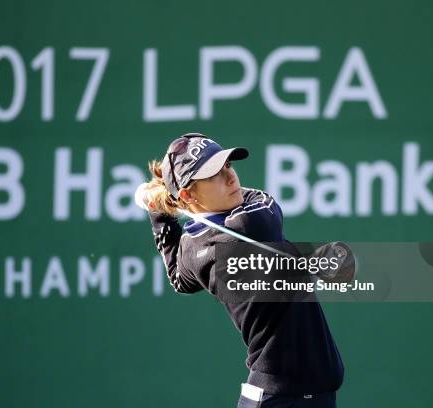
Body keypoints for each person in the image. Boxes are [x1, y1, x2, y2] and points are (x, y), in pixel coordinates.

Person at [135, 133, 344, 408]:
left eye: (227, 167)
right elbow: (264, 204)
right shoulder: (251, 223)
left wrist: (159, 212)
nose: (231, 178)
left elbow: (178, 277)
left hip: (287, 395)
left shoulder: (192, 248)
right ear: (187, 193)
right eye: (213, 176)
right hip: (282, 398)